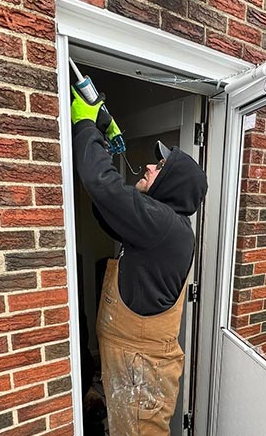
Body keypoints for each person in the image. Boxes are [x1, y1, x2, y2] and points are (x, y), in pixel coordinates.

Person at [70, 87, 208, 436]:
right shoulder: (161, 224)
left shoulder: (163, 225)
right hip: (133, 368)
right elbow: (107, 211)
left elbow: (102, 186)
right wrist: (99, 135)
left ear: (173, 183)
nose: (147, 165)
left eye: (159, 165)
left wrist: (87, 127)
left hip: (141, 372)